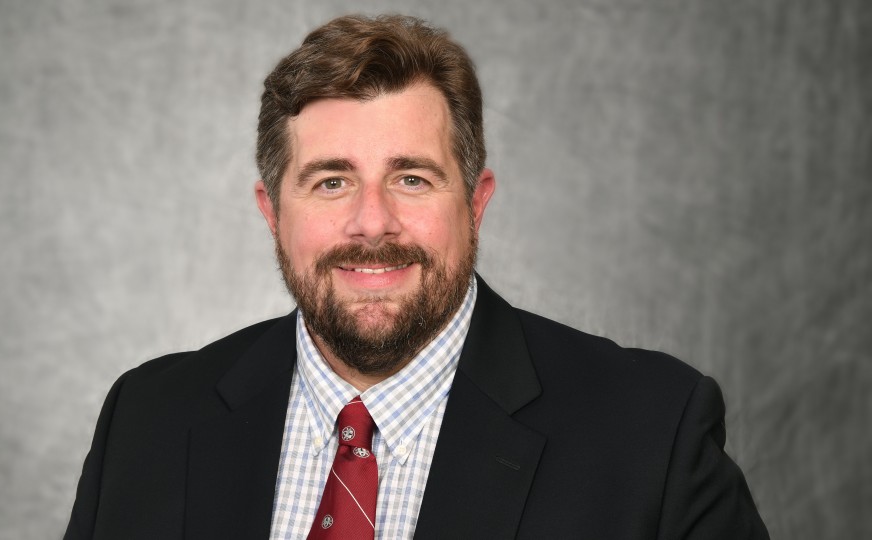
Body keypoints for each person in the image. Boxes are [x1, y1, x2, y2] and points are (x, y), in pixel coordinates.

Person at [64, 14, 769, 539]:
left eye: (412, 178)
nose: (373, 224)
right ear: (272, 213)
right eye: (331, 181)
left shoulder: (653, 434)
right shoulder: (147, 422)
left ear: (476, 203)